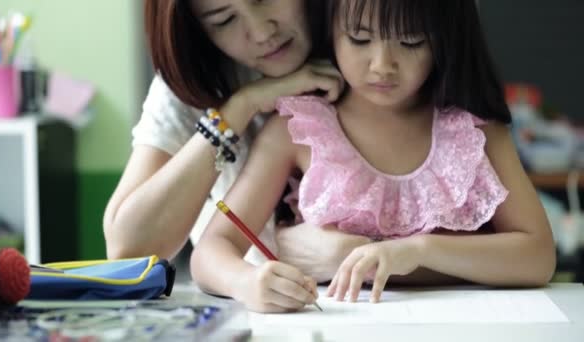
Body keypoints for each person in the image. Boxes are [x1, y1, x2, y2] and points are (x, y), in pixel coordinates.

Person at [190, 0, 556, 313]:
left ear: (444, 40)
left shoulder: (473, 131)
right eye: (360, 39)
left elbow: (538, 257)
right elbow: (210, 252)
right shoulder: (300, 128)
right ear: (329, 27)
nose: (382, 65)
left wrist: (418, 250)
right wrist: (247, 282)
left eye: (410, 41)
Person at [103, 0, 346, 262]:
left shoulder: (375, 41)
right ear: (199, 29)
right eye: (224, 20)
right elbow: (128, 250)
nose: (262, 32)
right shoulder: (195, 79)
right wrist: (239, 109)